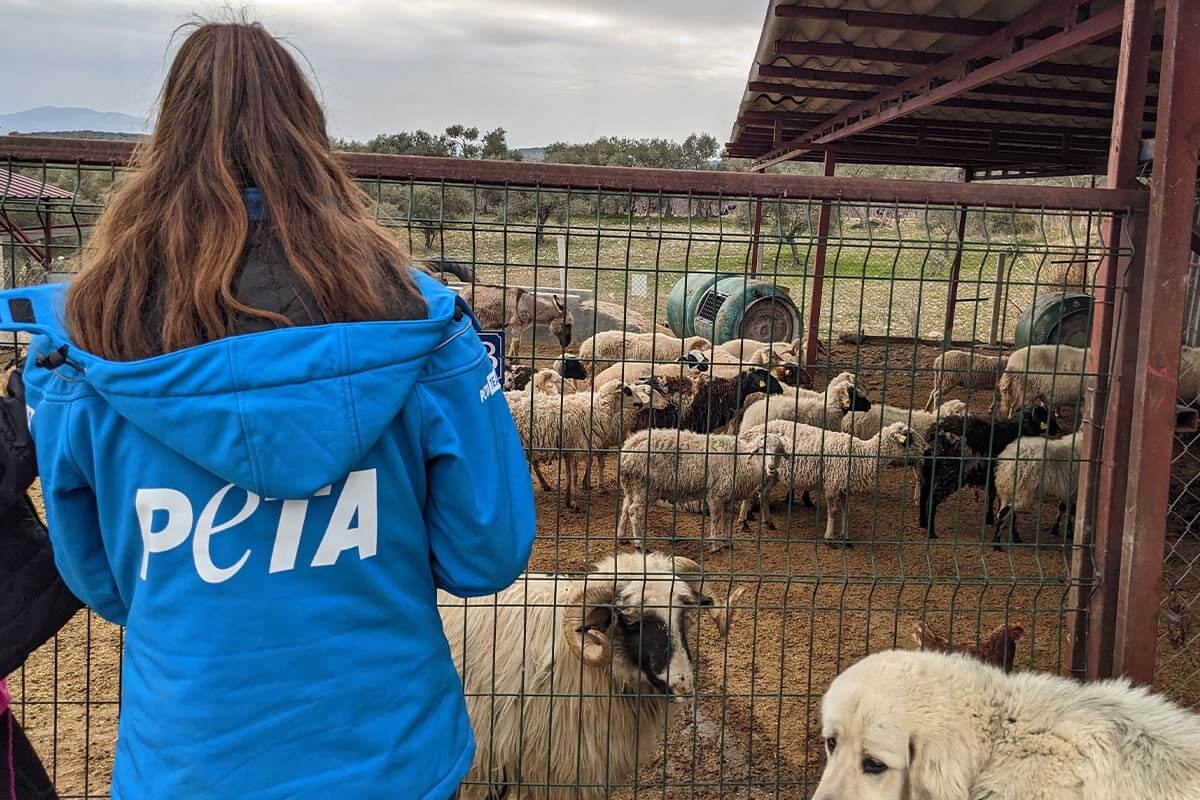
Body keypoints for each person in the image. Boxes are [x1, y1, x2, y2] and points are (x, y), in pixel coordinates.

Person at [0, 20, 535, 800]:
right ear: (310, 139)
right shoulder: (414, 320)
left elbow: (103, 582)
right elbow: (486, 553)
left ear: (165, 139)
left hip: (190, 764)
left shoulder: (88, 337)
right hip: (389, 755)